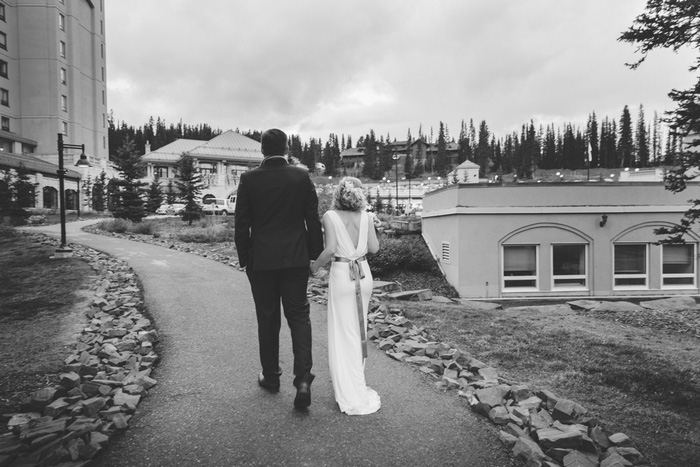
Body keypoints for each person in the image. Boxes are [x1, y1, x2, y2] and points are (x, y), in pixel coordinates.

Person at [234, 128, 324, 409]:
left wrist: (245, 259)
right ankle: (303, 380)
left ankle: (271, 377)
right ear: (286, 149)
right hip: (296, 259)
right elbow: (312, 220)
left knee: (267, 319)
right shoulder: (300, 176)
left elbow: (241, 224)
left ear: (262, 149)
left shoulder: (248, 179)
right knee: (299, 317)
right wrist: (314, 257)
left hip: (261, 261)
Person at [310, 177, 381, 415]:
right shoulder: (367, 217)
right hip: (363, 274)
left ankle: (349, 390)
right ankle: (356, 384)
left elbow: (330, 250)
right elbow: (374, 249)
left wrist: (314, 267)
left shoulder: (330, 217)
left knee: (343, 332)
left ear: (338, 194)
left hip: (342, 275)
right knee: (359, 328)